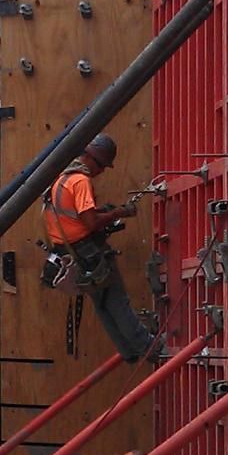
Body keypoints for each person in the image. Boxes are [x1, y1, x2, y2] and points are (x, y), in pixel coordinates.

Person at [42, 133, 154, 362]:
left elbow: (74, 217)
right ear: (92, 158)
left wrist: (102, 211)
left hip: (72, 252)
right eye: (102, 165)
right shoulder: (80, 181)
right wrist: (118, 213)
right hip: (87, 252)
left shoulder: (61, 179)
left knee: (102, 302)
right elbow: (90, 223)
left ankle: (129, 351)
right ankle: (149, 346)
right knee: (116, 299)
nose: (102, 171)